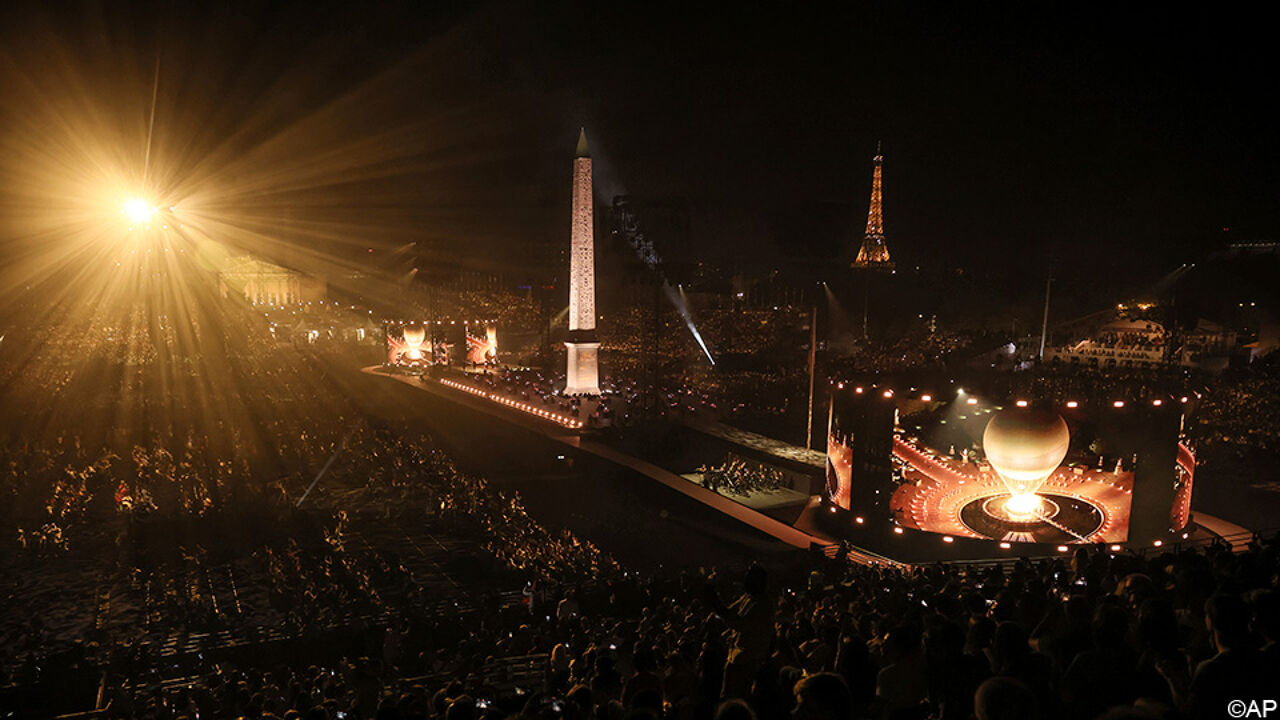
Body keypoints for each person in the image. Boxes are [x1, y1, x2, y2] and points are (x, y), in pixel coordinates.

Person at [705, 565, 775, 699]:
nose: (745, 581)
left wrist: (715, 603)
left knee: (737, 699)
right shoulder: (747, 598)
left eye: (749, 578)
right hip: (735, 658)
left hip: (748, 662)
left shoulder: (762, 605)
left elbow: (739, 624)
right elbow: (730, 613)